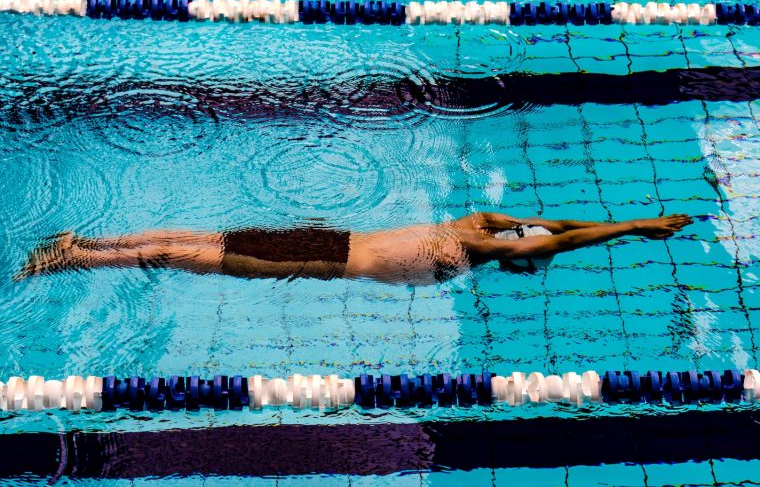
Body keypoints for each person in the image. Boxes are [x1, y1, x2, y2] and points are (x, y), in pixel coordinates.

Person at [15, 213, 693, 285]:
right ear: (510, 255)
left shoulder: (475, 222)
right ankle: (72, 258)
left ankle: (81, 242)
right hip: (323, 260)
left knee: (197, 239)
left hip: (328, 236)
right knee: (185, 255)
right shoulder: (471, 255)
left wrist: (636, 218)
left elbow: (553, 228)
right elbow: (566, 241)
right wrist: (634, 229)